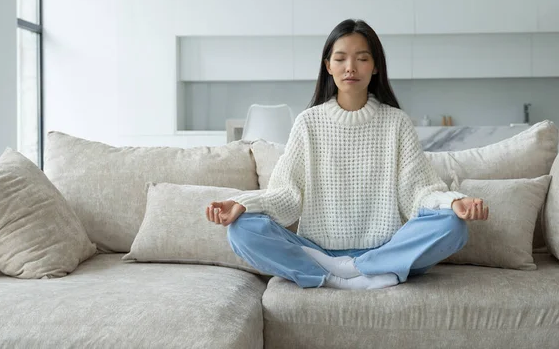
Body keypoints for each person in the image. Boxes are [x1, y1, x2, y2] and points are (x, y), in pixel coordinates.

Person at [205, 19, 489, 290]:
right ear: (328, 66)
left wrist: (454, 202)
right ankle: (345, 274)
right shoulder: (308, 122)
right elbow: (286, 196)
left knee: (454, 226)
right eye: (340, 59)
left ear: (375, 66)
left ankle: (355, 268)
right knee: (242, 231)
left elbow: (419, 193)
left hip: (385, 247)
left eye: (362, 58)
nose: (350, 67)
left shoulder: (397, 123)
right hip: (319, 249)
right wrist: (243, 203)